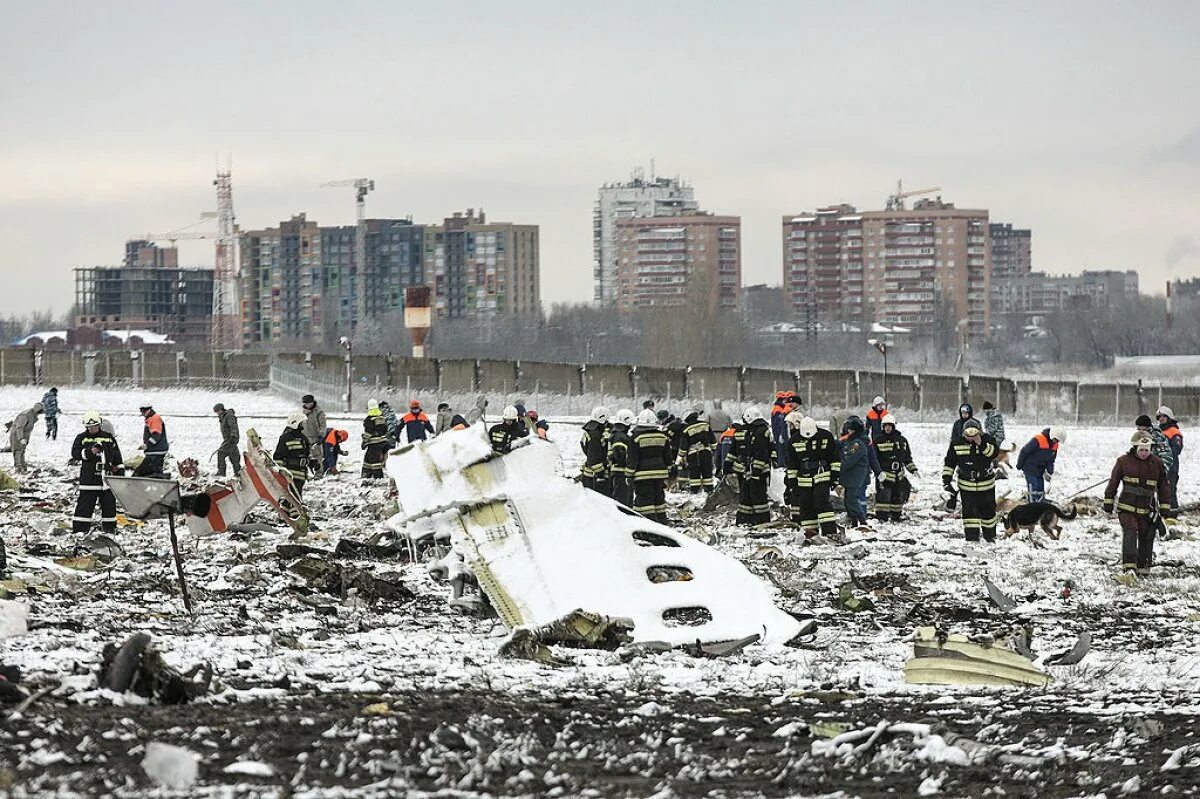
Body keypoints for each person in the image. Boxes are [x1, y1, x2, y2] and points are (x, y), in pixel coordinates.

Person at [1104, 432, 1172, 575]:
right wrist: (1108, 504)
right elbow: (1113, 483)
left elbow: (1164, 486)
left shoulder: (1157, 464)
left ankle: (1143, 568)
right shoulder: (1123, 462)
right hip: (1126, 508)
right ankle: (1129, 567)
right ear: (1135, 448)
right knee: (1130, 532)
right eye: (1141, 450)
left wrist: (1165, 507)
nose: (1144, 453)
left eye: (1147, 450)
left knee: (1146, 536)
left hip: (1147, 510)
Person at [943, 417, 999, 543]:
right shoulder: (956, 443)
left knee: (988, 512)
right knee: (969, 513)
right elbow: (950, 462)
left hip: (986, 484)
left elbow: (994, 454)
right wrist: (946, 479)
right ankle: (972, 539)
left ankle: (990, 537)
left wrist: (981, 444)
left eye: (974, 434)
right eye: (968, 434)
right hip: (966, 484)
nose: (971, 437)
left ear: (980, 432)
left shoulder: (988, 440)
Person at [784, 413, 840, 538]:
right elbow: (792, 465)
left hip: (822, 475)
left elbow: (835, 458)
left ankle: (830, 532)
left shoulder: (825, 436)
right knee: (806, 505)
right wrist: (792, 483)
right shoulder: (794, 441)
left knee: (821, 502)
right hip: (803, 479)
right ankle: (811, 535)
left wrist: (834, 477)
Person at [70, 411, 123, 535]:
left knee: (109, 506)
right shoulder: (82, 438)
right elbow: (75, 454)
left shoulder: (108, 437)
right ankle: (80, 530)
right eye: (89, 427)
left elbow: (117, 457)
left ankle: (110, 530)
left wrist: (120, 474)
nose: (92, 429)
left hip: (106, 480)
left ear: (99, 425)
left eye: (94, 427)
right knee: (85, 506)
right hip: (89, 480)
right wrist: (90, 452)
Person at [871, 413, 918, 522]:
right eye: (886, 426)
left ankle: (895, 517)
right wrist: (877, 472)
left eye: (890, 426)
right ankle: (882, 518)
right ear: (883, 426)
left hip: (898, 476)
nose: (888, 428)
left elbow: (907, 458)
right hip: (884, 476)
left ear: (893, 426)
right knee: (883, 498)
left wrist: (913, 469)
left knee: (897, 498)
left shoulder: (902, 440)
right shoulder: (878, 440)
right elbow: (874, 459)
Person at [731, 405, 773, 526]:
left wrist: (755, 470)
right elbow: (734, 451)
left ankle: (755, 520)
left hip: (753, 471)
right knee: (749, 496)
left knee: (754, 496)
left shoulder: (758, 432)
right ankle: (751, 520)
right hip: (748, 470)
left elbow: (761, 453)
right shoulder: (761, 430)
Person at [629, 409, 673, 523]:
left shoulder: (636, 438)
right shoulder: (663, 437)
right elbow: (668, 457)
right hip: (660, 474)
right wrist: (669, 471)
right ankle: (662, 520)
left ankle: (649, 523)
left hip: (642, 475)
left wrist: (628, 475)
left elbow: (632, 459)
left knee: (645, 500)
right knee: (659, 498)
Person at [1016, 427, 1066, 503]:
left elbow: (1051, 460)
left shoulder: (1054, 446)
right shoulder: (1038, 439)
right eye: (1056, 440)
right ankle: (1033, 505)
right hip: (1030, 467)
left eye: (1058, 441)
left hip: (1040, 470)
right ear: (1052, 436)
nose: (1057, 442)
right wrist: (1019, 465)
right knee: (1033, 488)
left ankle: (1041, 504)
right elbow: (1024, 451)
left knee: (1040, 489)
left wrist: (1049, 471)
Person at [839, 416, 871, 527]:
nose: (848, 431)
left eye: (851, 429)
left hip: (855, 477)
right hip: (849, 477)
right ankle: (854, 521)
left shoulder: (857, 444)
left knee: (852, 500)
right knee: (848, 499)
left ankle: (862, 521)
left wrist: (838, 467)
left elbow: (849, 460)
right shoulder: (849, 441)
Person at [677, 409, 716, 493]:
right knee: (707, 471)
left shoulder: (686, 430)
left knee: (694, 472)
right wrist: (713, 450)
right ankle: (709, 489)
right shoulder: (705, 425)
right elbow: (713, 440)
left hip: (693, 454)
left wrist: (681, 457)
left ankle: (695, 490)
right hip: (706, 452)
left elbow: (683, 447)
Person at [1156, 406, 1184, 523]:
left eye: (1163, 416)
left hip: (1171, 468)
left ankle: (1172, 516)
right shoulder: (1159, 432)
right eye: (1159, 417)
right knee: (1160, 491)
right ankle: (1162, 514)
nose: (1161, 419)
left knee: (1170, 491)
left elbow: (1176, 450)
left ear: (1169, 418)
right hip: (1159, 467)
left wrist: (1164, 455)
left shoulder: (1174, 432)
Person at [274, 411, 310, 496]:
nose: (304, 425)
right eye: (302, 422)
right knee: (291, 498)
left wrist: (312, 462)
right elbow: (278, 457)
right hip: (290, 475)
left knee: (297, 498)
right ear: (296, 423)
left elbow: (307, 454)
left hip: (301, 475)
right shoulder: (286, 438)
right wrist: (281, 472)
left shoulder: (303, 439)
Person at [607, 409, 636, 507]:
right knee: (623, 501)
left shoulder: (617, 434)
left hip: (619, 472)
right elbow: (620, 454)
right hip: (621, 472)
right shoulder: (620, 436)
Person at [580, 406, 611, 495]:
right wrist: (601, 474)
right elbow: (594, 459)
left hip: (589, 474)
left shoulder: (590, 431)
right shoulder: (595, 436)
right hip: (595, 477)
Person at [134, 404, 168, 478]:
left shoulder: (154, 419)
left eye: (143, 412)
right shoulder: (151, 419)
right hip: (155, 451)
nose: (142, 414)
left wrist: (147, 445)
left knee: (140, 472)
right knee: (153, 472)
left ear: (148, 410)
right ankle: (160, 483)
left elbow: (156, 435)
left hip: (155, 452)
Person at [7, 403, 42, 473]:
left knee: (22, 451)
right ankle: (18, 468)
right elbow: (19, 427)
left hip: (23, 436)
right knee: (18, 451)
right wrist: (21, 438)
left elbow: (27, 429)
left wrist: (26, 438)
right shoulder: (26, 415)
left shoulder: (33, 415)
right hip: (16, 434)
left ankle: (23, 467)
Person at [362, 399, 391, 480]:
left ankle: (376, 477)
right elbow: (385, 430)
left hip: (373, 444)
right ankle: (368, 475)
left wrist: (364, 441)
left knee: (374, 462)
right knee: (372, 459)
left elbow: (368, 432)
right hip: (383, 443)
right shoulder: (381, 418)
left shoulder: (370, 419)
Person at [301, 395, 327, 476]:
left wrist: (321, 435)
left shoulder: (319, 412)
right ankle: (306, 473)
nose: (307, 405)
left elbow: (323, 425)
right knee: (305, 456)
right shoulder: (302, 413)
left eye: (309, 403)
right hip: (304, 437)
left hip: (315, 438)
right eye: (306, 403)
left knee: (317, 457)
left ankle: (319, 473)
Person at [213, 403, 241, 477]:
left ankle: (221, 472)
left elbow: (233, 426)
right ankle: (238, 472)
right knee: (234, 456)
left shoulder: (229, 416)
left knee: (221, 453)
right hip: (228, 439)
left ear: (221, 410)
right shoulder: (223, 417)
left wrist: (233, 436)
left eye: (218, 411)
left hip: (230, 439)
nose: (217, 413)